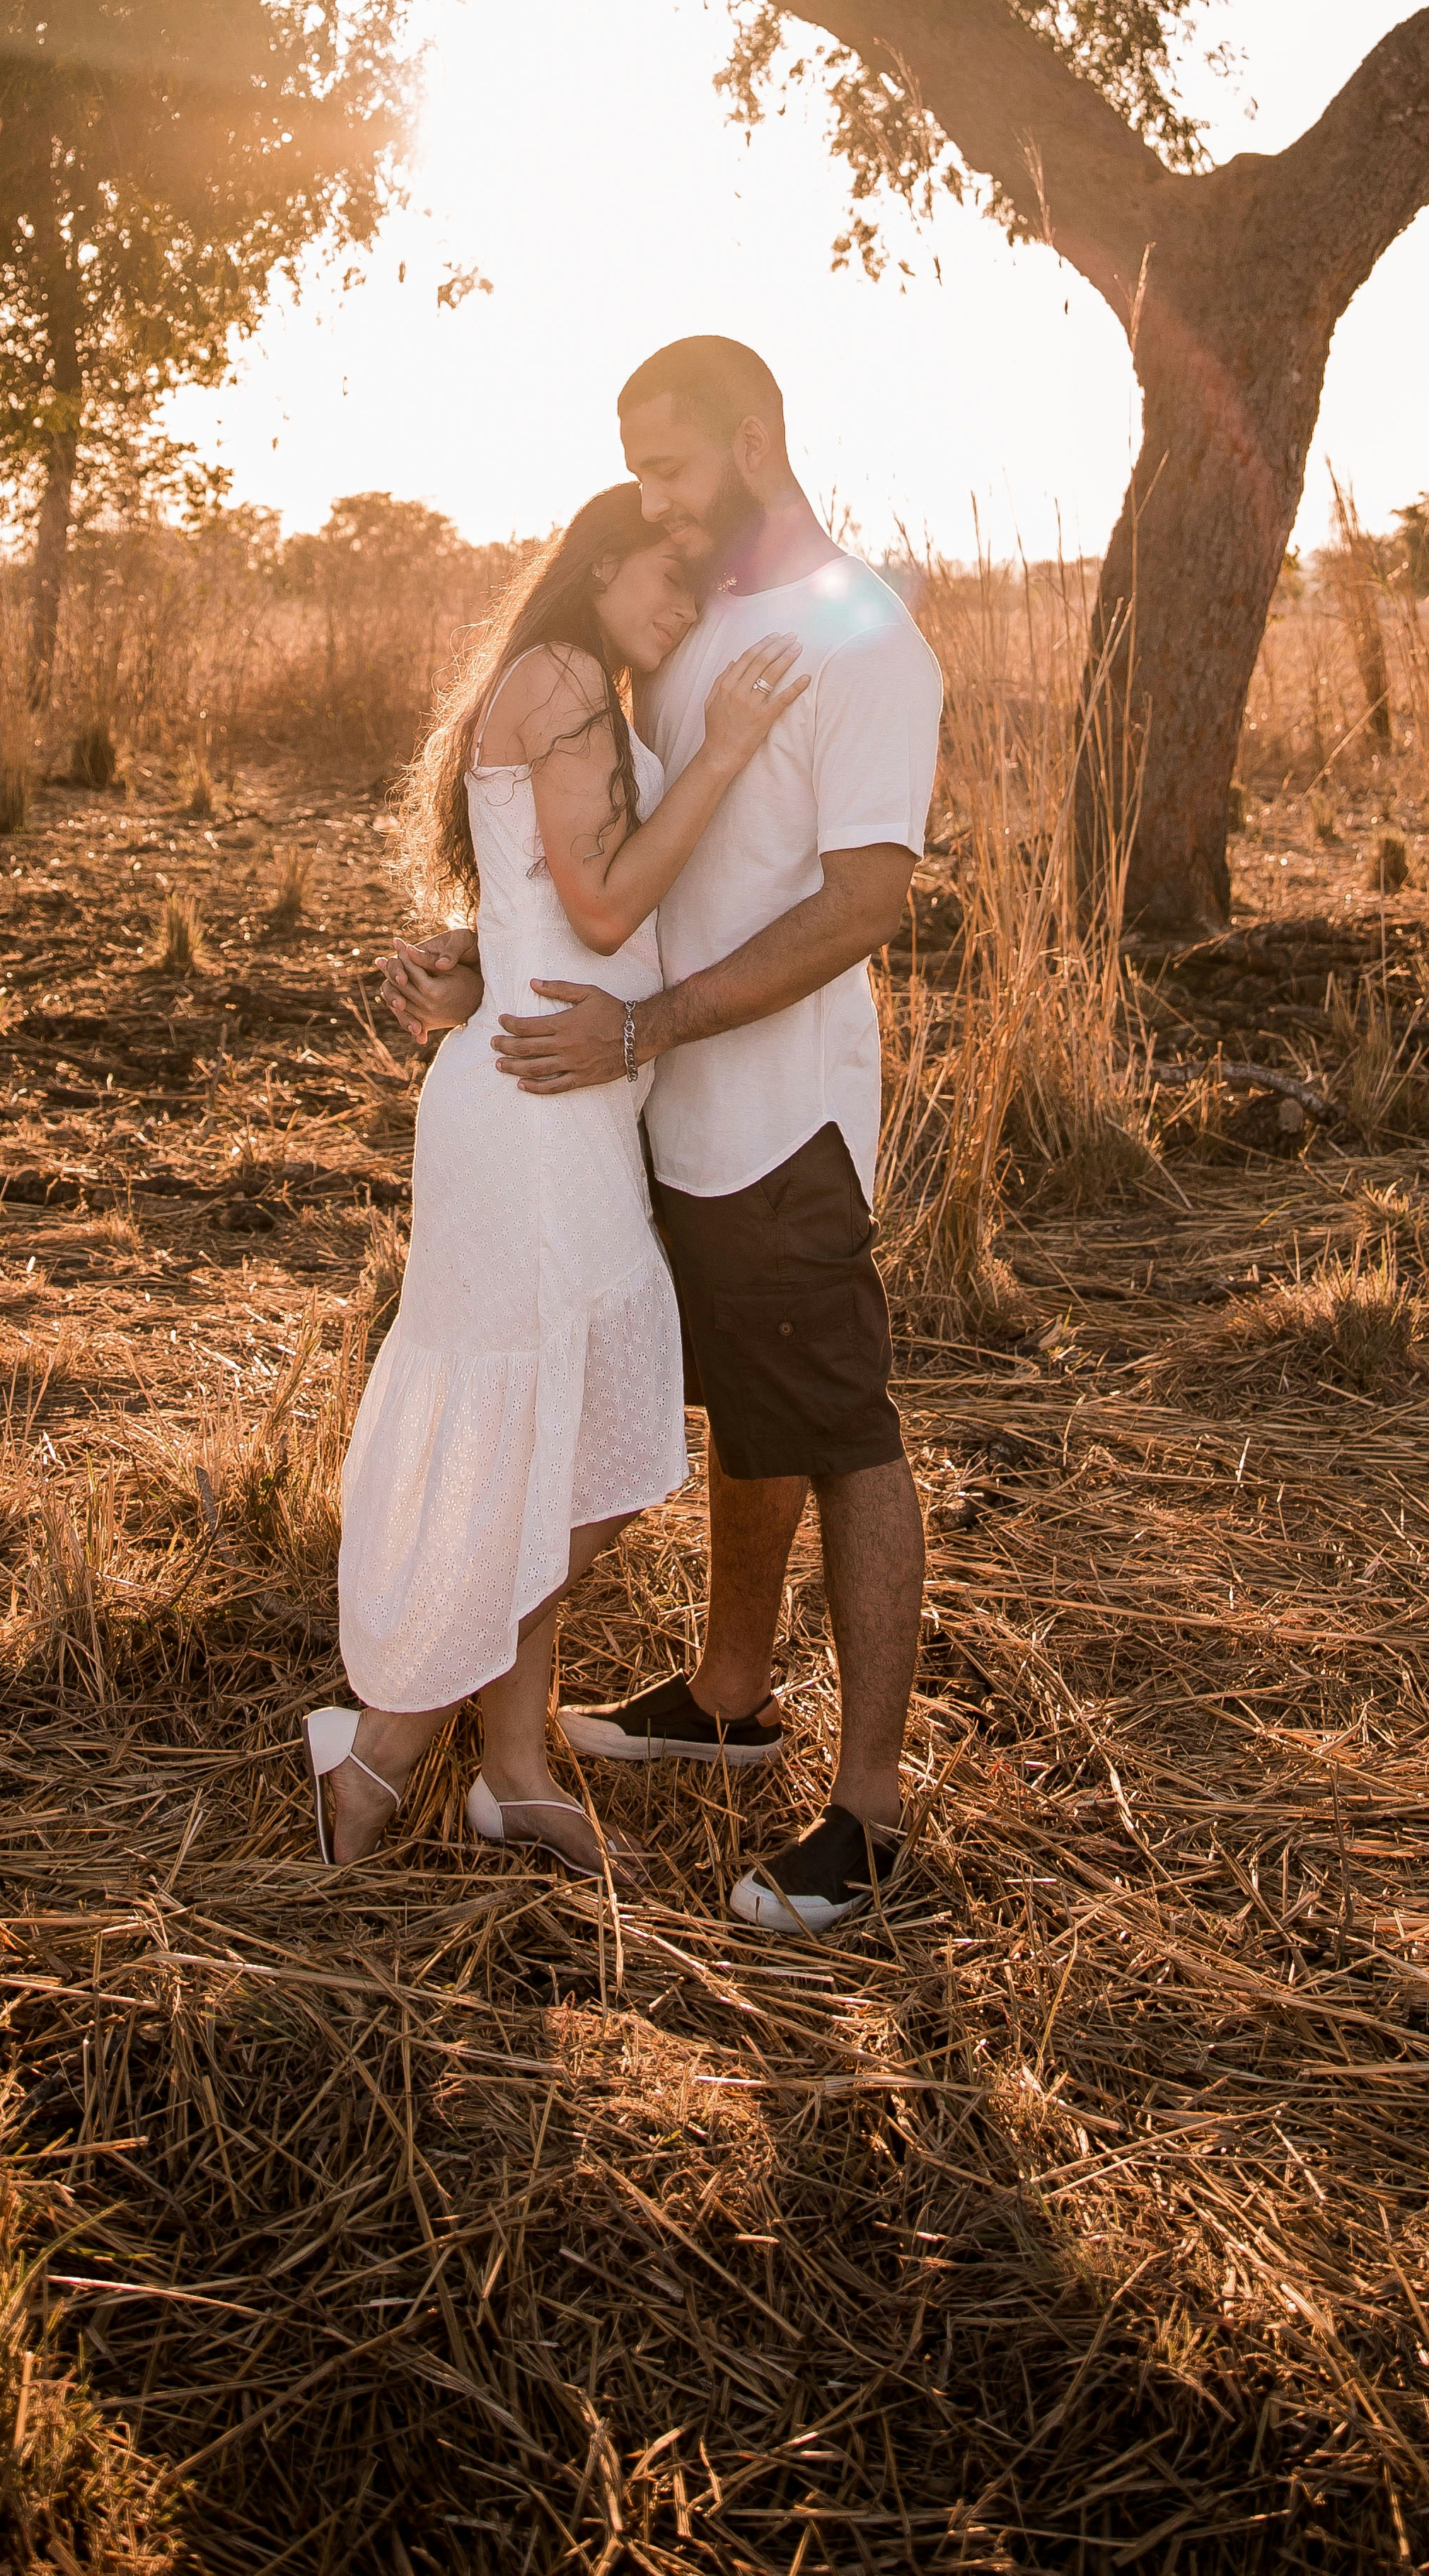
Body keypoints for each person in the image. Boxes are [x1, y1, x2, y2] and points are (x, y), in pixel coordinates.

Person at [385, 337, 942, 1934]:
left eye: (671, 467)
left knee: (839, 1429)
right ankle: (729, 1693)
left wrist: (653, 1027)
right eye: (635, 474)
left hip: (777, 1117)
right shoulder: (682, 631)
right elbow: (612, 870)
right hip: (638, 1107)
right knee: (742, 1410)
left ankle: (870, 1812)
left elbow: (861, 904)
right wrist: (484, 960)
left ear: (757, 440)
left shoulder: (864, 645)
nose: (650, 503)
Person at [311, 484, 810, 1874]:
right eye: (669, 568)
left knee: (553, 1425)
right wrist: (724, 753)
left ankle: (516, 1770)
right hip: (533, 1113)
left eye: (703, 585)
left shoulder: (583, 688)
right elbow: (598, 907)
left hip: (551, 1094)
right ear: (599, 559)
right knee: (587, 1409)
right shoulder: (567, 677)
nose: (685, 598)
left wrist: (469, 960)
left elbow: (549, 908)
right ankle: (384, 1751)